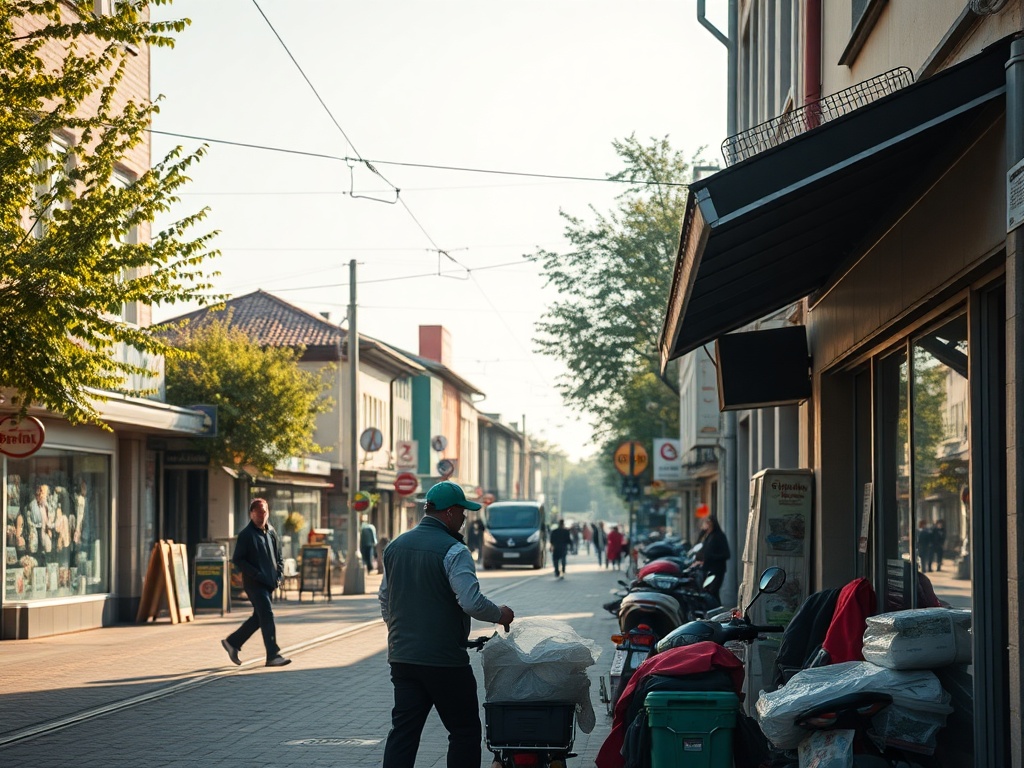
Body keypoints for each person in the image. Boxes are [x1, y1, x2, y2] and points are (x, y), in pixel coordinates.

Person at [378, 481, 515, 768]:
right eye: (463, 512)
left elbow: (385, 598)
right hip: (444, 661)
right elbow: (472, 602)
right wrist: (500, 614)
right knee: (464, 730)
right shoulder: (454, 550)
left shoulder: (395, 547)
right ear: (450, 513)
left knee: (403, 732)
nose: (465, 518)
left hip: (402, 658)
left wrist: (402, 631)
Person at [221, 498, 291, 668]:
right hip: (254, 583)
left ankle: (233, 642)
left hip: (269, 582)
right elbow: (238, 559)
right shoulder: (246, 535)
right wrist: (256, 573)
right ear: (251, 513)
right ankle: (273, 655)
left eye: (264, 511)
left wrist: (279, 573)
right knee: (267, 615)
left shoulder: (271, 532)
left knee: (259, 617)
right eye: (258, 512)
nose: (262, 515)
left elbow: (278, 556)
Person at [695, 514, 730, 604]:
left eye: (708, 523)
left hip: (717, 570)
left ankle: (716, 608)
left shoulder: (719, 536)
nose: (707, 525)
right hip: (707, 569)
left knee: (712, 591)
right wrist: (701, 533)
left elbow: (726, 554)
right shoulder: (708, 536)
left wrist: (711, 556)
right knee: (706, 591)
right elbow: (700, 548)